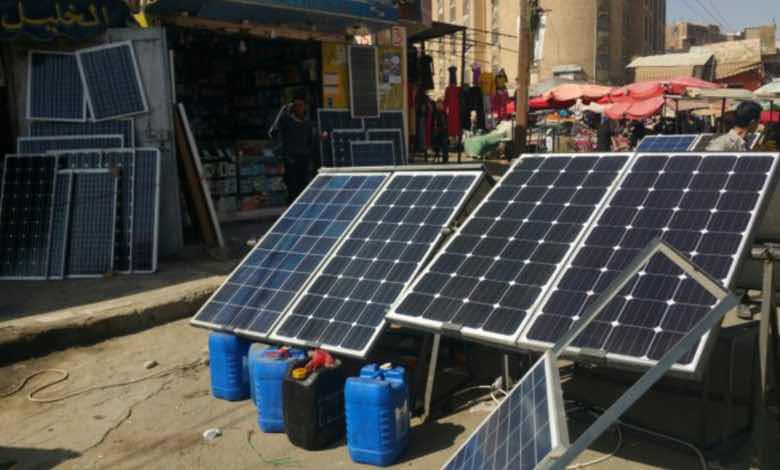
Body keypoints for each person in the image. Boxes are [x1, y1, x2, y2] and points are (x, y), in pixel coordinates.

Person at [272, 91, 317, 201]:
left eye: (301, 105)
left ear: (305, 107)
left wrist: (310, 156)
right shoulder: (286, 120)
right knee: (292, 185)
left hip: (304, 158)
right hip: (290, 158)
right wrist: (282, 157)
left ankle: (301, 203)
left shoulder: (308, 124)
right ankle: (292, 202)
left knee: (303, 184)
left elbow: (310, 141)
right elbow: (275, 133)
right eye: (296, 105)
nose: (299, 108)